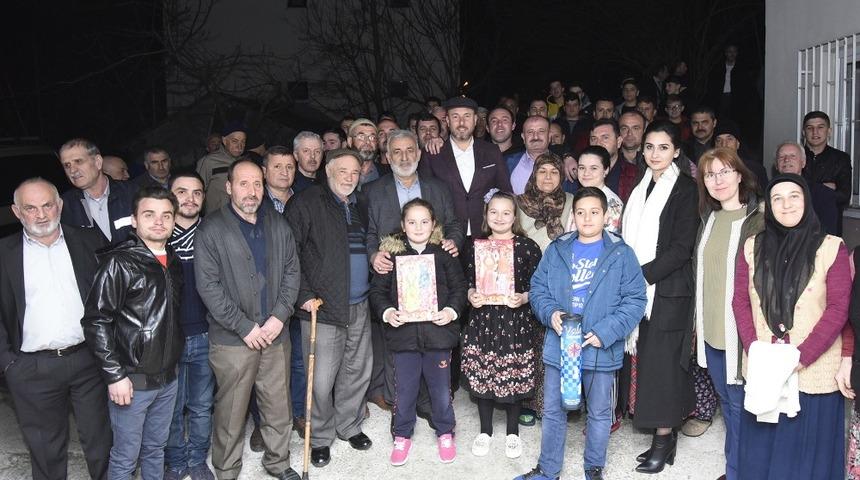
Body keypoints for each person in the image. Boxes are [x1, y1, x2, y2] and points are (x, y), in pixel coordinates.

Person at [516, 187, 647, 480]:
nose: (587, 218)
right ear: (573, 216)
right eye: (580, 212)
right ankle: (548, 469)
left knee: (599, 412)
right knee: (552, 410)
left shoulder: (621, 253)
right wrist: (550, 314)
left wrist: (606, 331)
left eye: (594, 212)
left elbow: (636, 299)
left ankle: (594, 467)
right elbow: (538, 289)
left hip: (599, 346)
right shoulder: (558, 249)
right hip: (561, 345)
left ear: (606, 215)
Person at [733, 174, 850, 480]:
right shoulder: (751, 247)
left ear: (807, 201)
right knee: (762, 454)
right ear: (768, 207)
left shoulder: (831, 248)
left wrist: (801, 357)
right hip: (763, 368)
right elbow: (740, 302)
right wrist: (756, 352)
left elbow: (838, 308)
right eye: (777, 198)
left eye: (794, 196)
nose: (786, 205)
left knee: (806, 460)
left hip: (813, 371)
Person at [194, 159, 301, 480]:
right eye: (243, 184)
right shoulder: (211, 229)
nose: (251, 191)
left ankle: (278, 463)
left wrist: (279, 317)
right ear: (228, 188)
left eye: (257, 184)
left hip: (274, 334)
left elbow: (293, 272)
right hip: (232, 341)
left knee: (277, 407)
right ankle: (227, 470)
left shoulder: (278, 225)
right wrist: (245, 327)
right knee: (230, 412)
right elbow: (208, 287)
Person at [0, 178, 112, 480]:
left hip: (89, 360)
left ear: (60, 205)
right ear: (17, 211)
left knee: (101, 442)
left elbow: (111, 298)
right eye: (30, 208)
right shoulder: (4, 253)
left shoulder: (90, 242)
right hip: (32, 367)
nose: (41, 214)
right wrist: (8, 363)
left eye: (47, 205)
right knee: (46, 450)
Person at [82, 186, 185, 480]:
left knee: (156, 448)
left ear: (174, 220)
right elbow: (96, 321)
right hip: (132, 381)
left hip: (168, 378)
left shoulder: (173, 261)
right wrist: (115, 375)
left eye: (166, 215)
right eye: (149, 214)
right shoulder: (119, 262)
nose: (159, 221)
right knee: (126, 457)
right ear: (134, 220)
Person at [363, 130, 463, 414]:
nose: (404, 157)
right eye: (397, 152)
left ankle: (433, 404)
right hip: (395, 279)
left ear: (419, 154)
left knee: (433, 342)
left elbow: (454, 224)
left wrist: (452, 242)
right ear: (387, 156)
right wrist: (374, 255)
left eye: (410, 150)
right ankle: (401, 403)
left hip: (435, 281)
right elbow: (369, 233)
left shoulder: (438, 188)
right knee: (400, 342)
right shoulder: (373, 191)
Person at [286, 149, 375, 468]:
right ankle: (321, 436)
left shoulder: (360, 203)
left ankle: (348, 425)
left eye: (355, 173)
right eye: (343, 172)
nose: (350, 178)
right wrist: (304, 294)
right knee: (321, 379)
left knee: (356, 370)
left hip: (359, 302)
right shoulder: (306, 202)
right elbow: (289, 252)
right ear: (328, 171)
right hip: (321, 306)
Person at [622, 120, 698, 474]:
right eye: (649, 147)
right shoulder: (641, 186)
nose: (655, 154)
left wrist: (638, 275)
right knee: (652, 364)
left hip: (669, 291)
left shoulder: (685, 188)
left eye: (663, 147)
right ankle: (665, 441)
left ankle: (663, 440)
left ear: (677, 151)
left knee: (664, 368)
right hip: (647, 290)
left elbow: (682, 248)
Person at [368, 199, 467, 466]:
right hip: (404, 337)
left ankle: (445, 431)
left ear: (434, 224)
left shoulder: (444, 255)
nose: (418, 227)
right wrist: (388, 313)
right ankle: (402, 435)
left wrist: (450, 312)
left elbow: (460, 289)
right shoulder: (393, 257)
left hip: (438, 335)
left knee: (440, 389)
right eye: (411, 222)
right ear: (402, 225)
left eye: (424, 221)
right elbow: (377, 293)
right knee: (406, 389)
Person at [692, 148, 763, 480]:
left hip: (742, 334)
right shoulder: (707, 220)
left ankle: (740, 472)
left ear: (739, 175)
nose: (717, 180)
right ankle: (737, 468)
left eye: (724, 172)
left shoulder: (759, 220)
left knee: (740, 407)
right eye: (709, 174)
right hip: (712, 333)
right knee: (727, 402)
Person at [461, 191, 542, 459]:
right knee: (484, 373)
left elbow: (539, 287)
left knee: (514, 378)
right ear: (485, 215)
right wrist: (471, 293)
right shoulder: (474, 246)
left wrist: (525, 297)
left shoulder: (527, 247)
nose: (499, 217)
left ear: (514, 216)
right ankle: (485, 431)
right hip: (483, 321)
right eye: (493, 212)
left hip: (515, 322)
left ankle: (512, 433)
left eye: (506, 212)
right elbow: (467, 281)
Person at [164, 173, 216, 480]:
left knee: (201, 404)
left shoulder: (212, 232)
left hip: (205, 333)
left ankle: (197, 459)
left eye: (197, 193)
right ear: (169, 195)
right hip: (169, 338)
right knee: (171, 408)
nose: (190, 198)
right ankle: (175, 461)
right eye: (182, 192)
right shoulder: (159, 235)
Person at [418, 97, 513, 238]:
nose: (461, 122)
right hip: (447, 237)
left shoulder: (491, 151)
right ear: (448, 121)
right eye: (455, 117)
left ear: (475, 120)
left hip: (487, 234)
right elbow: (425, 199)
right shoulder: (433, 153)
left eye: (467, 116)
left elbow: (506, 192)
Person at [59, 138, 136, 245]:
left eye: (78, 161)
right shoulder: (64, 207)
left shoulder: (133, 193)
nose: (72, 170)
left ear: (98, 162)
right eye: (67, 165)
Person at [801, 110, 852, 235]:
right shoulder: (794, 156)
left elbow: (844, 196)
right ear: (804, 132)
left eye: (820, 127)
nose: (815, 132)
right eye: (810, 128)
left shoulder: (841, 158)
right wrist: (824, 188)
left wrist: (806, 188)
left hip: (829, 225)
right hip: (798, 224)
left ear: (829, 131)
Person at [775, 141, 838, 235]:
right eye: (781, 157)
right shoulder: (768, 194)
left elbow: (828, 234)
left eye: (792, 156)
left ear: (803, 163)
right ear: (776, 165)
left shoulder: (823, 195)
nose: (786, 160)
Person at [517, 152, 574, 252]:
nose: (548, 177)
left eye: (554, 172)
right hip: (527, 264)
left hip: (560, 263)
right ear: (534, 175)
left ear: (561, 176)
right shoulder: (517, 203)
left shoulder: (571, 201)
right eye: (542, 171)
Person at [197, 123, 247, 215]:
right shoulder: (209, 161)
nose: (239, 146)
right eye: (235, 141)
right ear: (224, 141)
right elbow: (197, 190)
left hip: (241, 218)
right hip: (216, 219)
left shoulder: (246, 163)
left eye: (243, 142)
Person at [571, 146, 623, 233]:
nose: (586, 173)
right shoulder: (578, 197)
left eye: (593, 168)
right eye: (582, 168)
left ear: (606, 170)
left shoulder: (613, 205)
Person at [590, 119, 638, 203]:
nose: (598, 143)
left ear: (619, 142)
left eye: (605, 137)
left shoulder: (634, 174)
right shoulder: (580, 171)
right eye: (594, 139)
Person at [507, 115, 551, 195]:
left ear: (549, 136)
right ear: (523, 137)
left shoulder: (563, 165)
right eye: (530, 132)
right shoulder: (507, 163)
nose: (536, 136)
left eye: (541, 131)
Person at [261, 146, 297, 214]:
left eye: (289, 167)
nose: (285, 173)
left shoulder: (305, 198)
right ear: (264, 172)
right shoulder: (257, 202)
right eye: (277, 166)